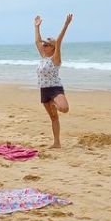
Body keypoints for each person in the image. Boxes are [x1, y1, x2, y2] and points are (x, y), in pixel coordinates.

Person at [34, 14, 72, 148]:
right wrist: (37, 27)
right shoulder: (44, 56)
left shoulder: (55, 59)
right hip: (44, 90)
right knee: (54, 118)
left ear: (53, 47)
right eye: (44, 44)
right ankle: (57, 142)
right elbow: (37, 41)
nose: (43, 45)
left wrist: (66, 25)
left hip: (55, 89)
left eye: (47, 44)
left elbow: (59, 41)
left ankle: (53, 102)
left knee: (64, 108)